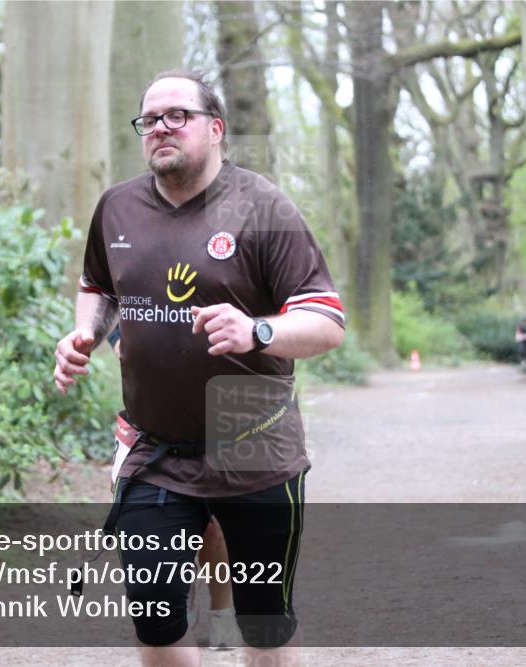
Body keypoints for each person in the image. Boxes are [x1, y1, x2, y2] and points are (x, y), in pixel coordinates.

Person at [54, 70, 345, 667]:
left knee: (264, 626)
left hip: (253, 441)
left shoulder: (263, 208)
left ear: (214, 129)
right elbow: (98, 286)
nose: (160, 127)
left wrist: (258, 330)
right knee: (157, 626)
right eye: (149, 120)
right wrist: (86, 332)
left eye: (176, 115)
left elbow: (326, 320)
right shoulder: (117, 208)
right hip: (155, 449)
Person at [109, 327, 240, 651]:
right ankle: (177, 595)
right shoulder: (136, 282)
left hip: (223, 412)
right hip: (154, 421)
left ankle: (222, 612)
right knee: (152, 516)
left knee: (214, 525)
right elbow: (116, 325)